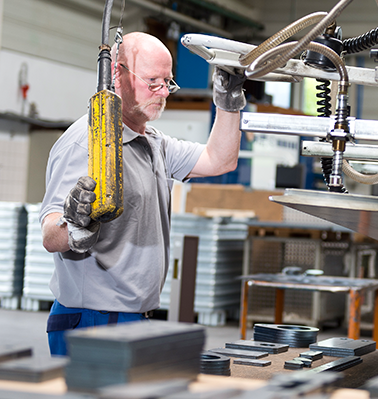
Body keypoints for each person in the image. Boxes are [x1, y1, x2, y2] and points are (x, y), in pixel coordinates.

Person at [39, 32, 246, 356]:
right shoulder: (89, 143)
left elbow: (220, 159)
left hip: (134, 319)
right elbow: (51, 234)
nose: (163, 93)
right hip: (94, 322)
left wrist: (228, 100)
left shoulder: (153, 142)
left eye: (168, 82)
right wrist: (74, 225)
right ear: (116, 74)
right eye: (152, 82)